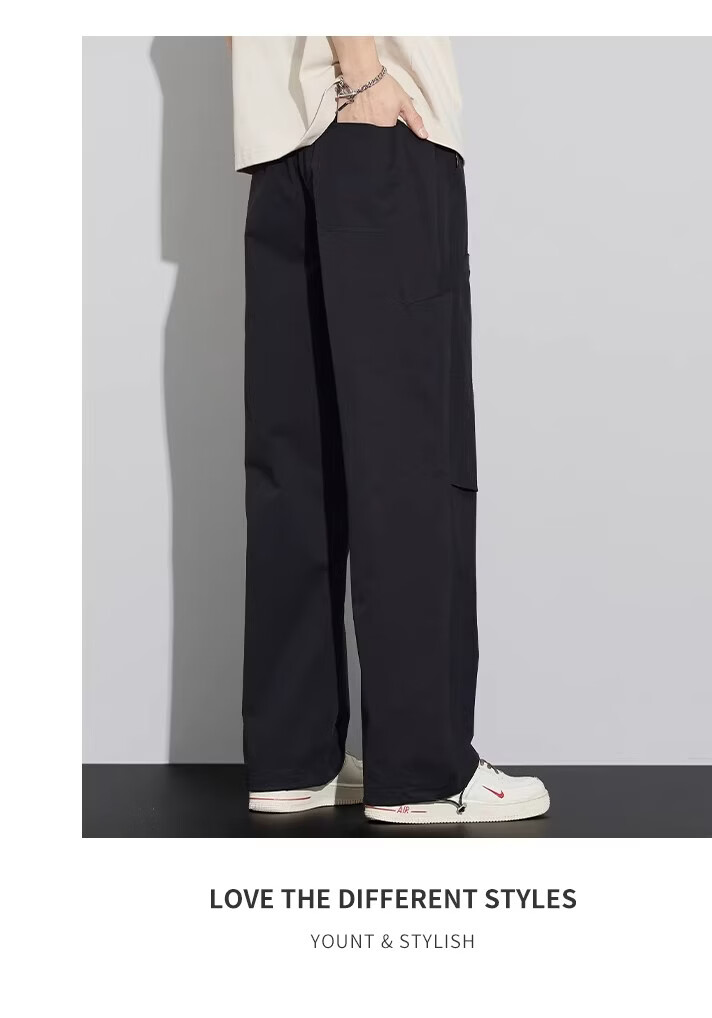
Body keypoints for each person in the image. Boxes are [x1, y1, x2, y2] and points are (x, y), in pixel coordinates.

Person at [232, 36, 549, 824]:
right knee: (410, 459)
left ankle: (293, 761)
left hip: (278, 147)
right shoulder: (368, 86)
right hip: (377, 127)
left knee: (296, 468)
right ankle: (423, 772)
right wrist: (364, 71)